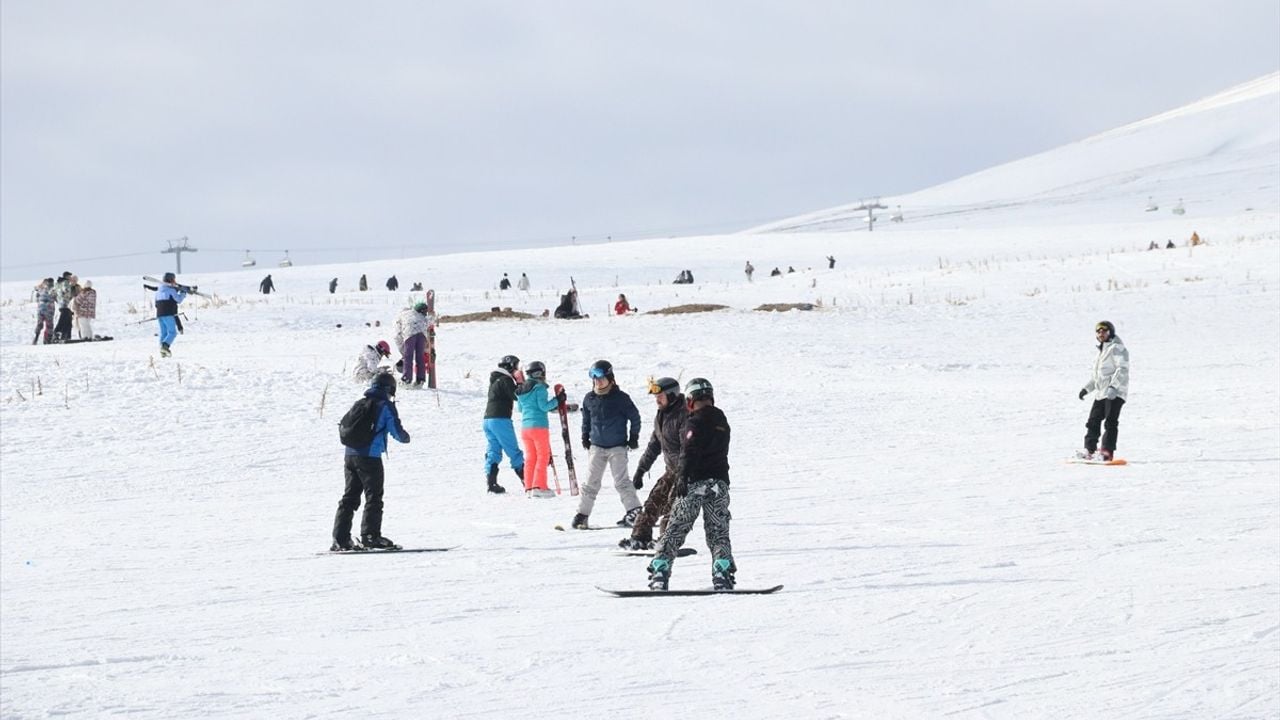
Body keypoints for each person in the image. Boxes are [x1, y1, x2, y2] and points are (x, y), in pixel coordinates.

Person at [646, 377, 734, 591]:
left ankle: (661, 569)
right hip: (719, 484)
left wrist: (682, 479)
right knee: (718, 529)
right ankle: (722, 571)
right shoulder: (722, 420)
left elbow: (688, 452)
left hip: (694, 483)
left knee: (676, 527)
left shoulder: (693, 422)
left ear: (691, 400)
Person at [331, 372, 410, 551]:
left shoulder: (359, 403)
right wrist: (406, 437)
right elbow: (397, 432)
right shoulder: (385, 405)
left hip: (350, 456)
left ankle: (340, 538)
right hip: (369, 457)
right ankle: (370, 536)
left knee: (349, 497)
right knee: (374, 497)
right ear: (390, 389)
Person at [571, 360, 642, 529]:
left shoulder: (621, 398)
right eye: (594, 378)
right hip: (596, 446)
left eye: (601, 377)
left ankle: (635, 512)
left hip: (617, 447)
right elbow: (586, 420)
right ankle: (582, 515)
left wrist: (633, 437)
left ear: (610, 378)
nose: (598, 381)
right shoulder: (589, 398)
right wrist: (584, 436)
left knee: (621, 482)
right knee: (590, 482)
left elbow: (635, 417)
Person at [620, 376, 689, 550]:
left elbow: (689, 450)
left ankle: (667, 540)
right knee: (653, 503)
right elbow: (654, 445)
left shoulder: (684, 416)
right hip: (672, 470)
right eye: (656, 397)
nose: (657, 400)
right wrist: (641, 470)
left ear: (672, 396)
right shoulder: (662, 415)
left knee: (673, 506)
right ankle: (639, 537)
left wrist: (684, 474)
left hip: (687, 471)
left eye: (661, 396)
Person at [1076, 321, 1130, 461]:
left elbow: (1122, 369)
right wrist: (1086, 389)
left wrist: (1114, 386)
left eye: (1104, 331)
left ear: (1110, 332)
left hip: (1115, 393)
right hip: (1101, 393)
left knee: (1110, 422)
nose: (1101, 334)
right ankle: (1089, 450)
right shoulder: (1101, 353)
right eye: (1098, 331)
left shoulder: (1117, 348)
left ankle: (1107, 452)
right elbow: (1097, 378)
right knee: (1093, 421)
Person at [515, 360, 561, 498]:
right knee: (543, 456)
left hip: (525, 428)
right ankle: (539, 486)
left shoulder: (522, 390)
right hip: (539, 427)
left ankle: (529, 487)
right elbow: (544, 407)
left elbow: (520, 409)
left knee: (530, 458)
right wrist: (558, 400)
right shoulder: (539, 388)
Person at [483, 355, 526, 494]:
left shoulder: (495, 380)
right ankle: (528, 481)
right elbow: (517, 395)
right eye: (516, 366)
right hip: (501, 419)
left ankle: (491, 483)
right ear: (510, 366)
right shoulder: (505, 379)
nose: (517, 369)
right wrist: (520, 382)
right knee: (513, 450)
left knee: (493, 451)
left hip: (488, 420)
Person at [394, 302, 432, 387]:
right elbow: (430, 321)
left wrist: (402, 349)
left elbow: (397, 333)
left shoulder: (402, 316)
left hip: (409, 334)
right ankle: (420, 380)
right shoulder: (421, 315)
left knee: (408, 357)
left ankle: (406, 380)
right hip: (422, 334)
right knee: (420, 357)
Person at [154, 272, 187, 357]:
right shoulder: (171, 290)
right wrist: (183, 293)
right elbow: (178, 300)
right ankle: (165, 347)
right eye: (174, 279)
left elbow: (156, 304)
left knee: (163, 333)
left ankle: (162, 352)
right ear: (171, 280)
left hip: (159, 315)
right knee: (172, 333)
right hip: (168, 314)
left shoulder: (158, 292)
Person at [52, 272, 77, 341]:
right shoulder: (65, 283)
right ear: (67, 277)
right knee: (63, 320)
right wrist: (71, 291)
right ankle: (57, 333)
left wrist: (57, 299)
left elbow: (52, 293)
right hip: (65, 304)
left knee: (68, 320)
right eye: (70, 276)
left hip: (61, 304)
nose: (71, 278)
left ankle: (65, 335)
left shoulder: (57, 283)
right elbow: (66, 291)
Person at [32, 278, 55, 345]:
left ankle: (36, 338)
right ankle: (47, 340)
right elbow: (56, 297)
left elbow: (36, 290)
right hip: (49, 310)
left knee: (39, 324)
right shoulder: (52, 290)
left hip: (40, 309)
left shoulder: (40, 289)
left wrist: (42, 284)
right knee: (49, 326)